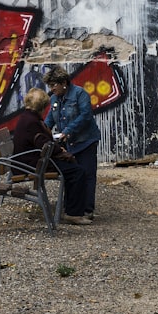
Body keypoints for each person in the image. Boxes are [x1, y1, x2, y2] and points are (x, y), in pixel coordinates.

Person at [13, 87, 92, 225]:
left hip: (27, 160)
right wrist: (59, 150)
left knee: (72, 169)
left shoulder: (26, 117)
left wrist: (56, 149)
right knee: (77, 172)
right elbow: (43, 144)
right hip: (32, 164)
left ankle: (70, 208)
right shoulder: (32, 122)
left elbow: (40, 142)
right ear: (43, 107)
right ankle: (73, 213)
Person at [44, 65, 101, 219]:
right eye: (50, 85)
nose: (51, 88)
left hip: (85, 141)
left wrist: (67, 131)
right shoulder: (55, 98)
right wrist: (42, 130)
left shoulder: (79, 94)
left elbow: (85, 116)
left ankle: (87, 210)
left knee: (88, 174)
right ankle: (73, 208)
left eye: (53, 85)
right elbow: (50, 119)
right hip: (69, 144)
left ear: (64, 82)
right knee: (74, 175)